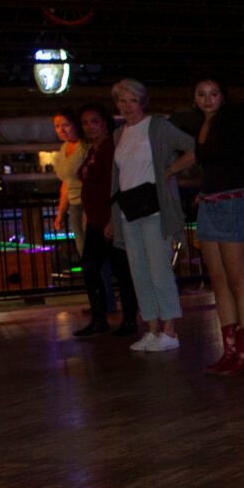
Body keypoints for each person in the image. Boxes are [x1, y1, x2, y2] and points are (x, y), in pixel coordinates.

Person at [109, 79, 195, 352]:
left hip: (155, 207)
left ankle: (169, 330)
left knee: (159, 270)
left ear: (143, 102)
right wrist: (113, 215)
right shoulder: (118, 134)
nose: (127, 106)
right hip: (129, 210)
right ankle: (152, 328)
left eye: (132, 100)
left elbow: (192, 147)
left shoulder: (157, 126)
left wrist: (169, 171)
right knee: (139, 272)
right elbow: (117, 177)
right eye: (122, 101)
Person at [190, 76, 244, 375]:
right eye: (202, 94)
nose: (208, 99)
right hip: (209, 204)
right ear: (195, 98)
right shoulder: (200, 125)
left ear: (223, 96)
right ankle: (230, 351)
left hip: (233, 203)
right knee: (218, 280)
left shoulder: (233, 122)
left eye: (214, 94)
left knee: (239, 280)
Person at [75, 104, 139, 337]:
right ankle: (100, 317)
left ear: (104, 123)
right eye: (85, 123)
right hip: (95, 219)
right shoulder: (94, 150)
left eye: (94, 121)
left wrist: (113, 218)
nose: (90, 127)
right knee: (91, 267)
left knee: (120, 269)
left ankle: (129, 319)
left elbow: (118, 183)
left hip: (111, 218)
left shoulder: (112, 147)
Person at [50, 110, 87, 292]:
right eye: (57, 126)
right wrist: (60, 212)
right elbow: (66, 183)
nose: (61, 130)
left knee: (91, 251)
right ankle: (97, 299)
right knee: (83, 252)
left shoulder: (84, 146)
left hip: (87, 202)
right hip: (74, 204)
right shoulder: (64, 149)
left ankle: (104, 300)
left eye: (65, 125)